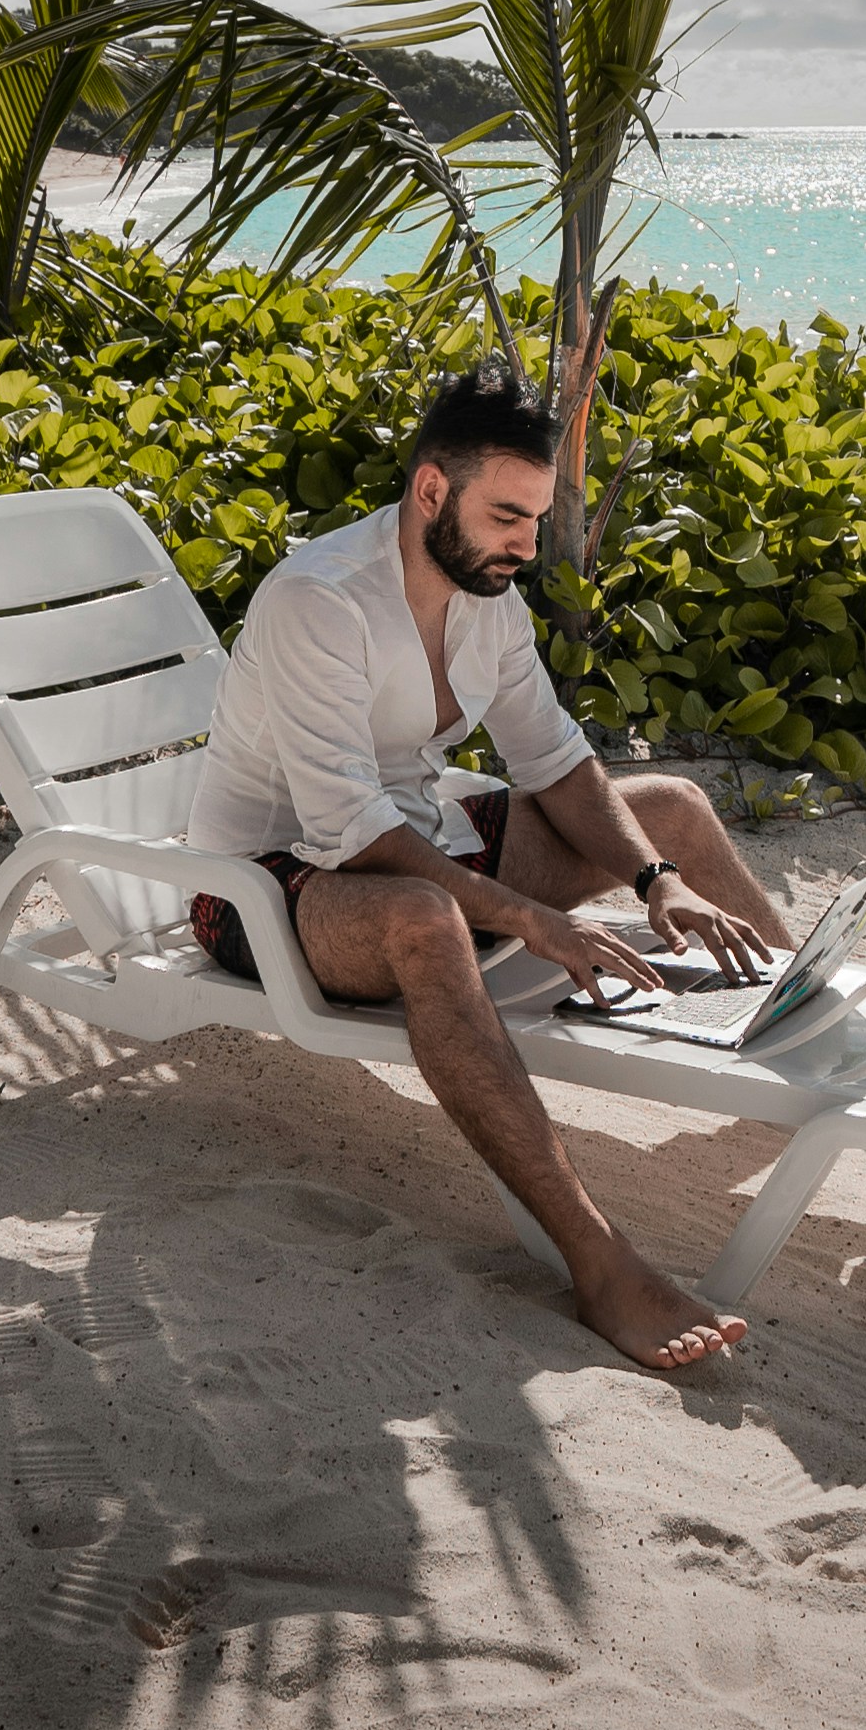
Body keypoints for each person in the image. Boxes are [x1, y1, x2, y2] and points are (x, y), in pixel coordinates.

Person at [187, 368, 794, 1379]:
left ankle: (825, 1033)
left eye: (536, 517)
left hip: (420, 838)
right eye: (506, 515)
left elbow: (554, 756)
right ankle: (597, 1261)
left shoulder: (486, 597)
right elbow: (349, 826)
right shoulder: (318, 602)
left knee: (672, 808)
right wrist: (527, 914)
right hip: (265, 884)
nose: (526, 541)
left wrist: (655, 879)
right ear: (431, 492)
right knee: (426, 916)